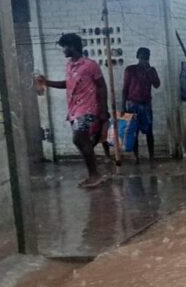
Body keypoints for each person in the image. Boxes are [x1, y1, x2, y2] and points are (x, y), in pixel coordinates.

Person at [38, 33, 108, 188]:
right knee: (82, 140)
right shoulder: (69, 65)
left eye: (64, 47)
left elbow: (102, 87)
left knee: (78, 139)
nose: (63, 50)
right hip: (74, 109)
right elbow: (67, 84)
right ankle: (94, 173)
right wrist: (47, 83)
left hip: (88, 109)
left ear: (73, 47)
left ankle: (95, 175)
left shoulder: (90, 65)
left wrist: (103, 110)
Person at [122, 47, 161, 164]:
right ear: (138, 56)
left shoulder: (151, 70)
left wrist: (149, 70)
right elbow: (125, 89)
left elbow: (157, 85)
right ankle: (136, 157)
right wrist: (123, 106)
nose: (144, 58)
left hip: (146, 104)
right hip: (132, 104)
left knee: (149, 131)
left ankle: (152, 157)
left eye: (146, 56)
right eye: (142, 56)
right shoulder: (130, 70)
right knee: (134, 132)